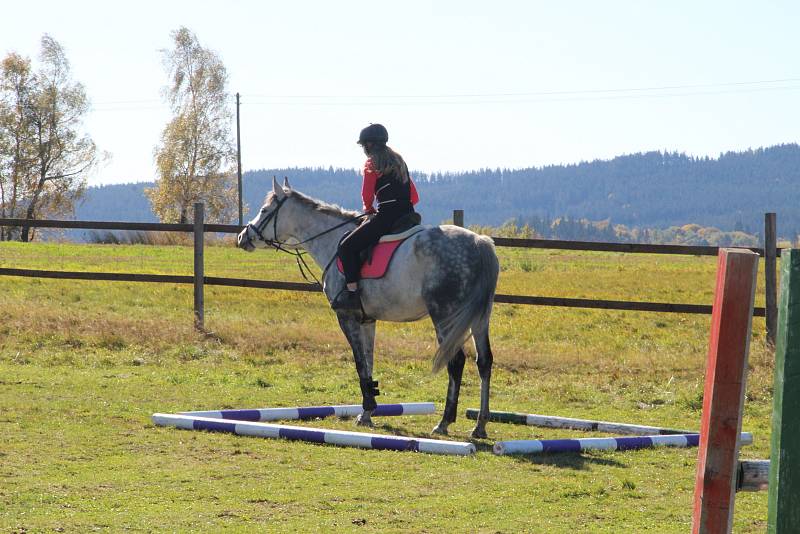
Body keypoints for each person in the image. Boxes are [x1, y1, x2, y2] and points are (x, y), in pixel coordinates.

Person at [331, 123, 420, 311]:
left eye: (364, 145)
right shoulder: (399, 161)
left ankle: (353, 295)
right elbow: (415, 196)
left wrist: (369, 209)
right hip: (409, 215)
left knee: (346, 247)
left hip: (387, 217)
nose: (364, 149)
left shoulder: (371, 163)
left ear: (369, 145)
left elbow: (367, 196)